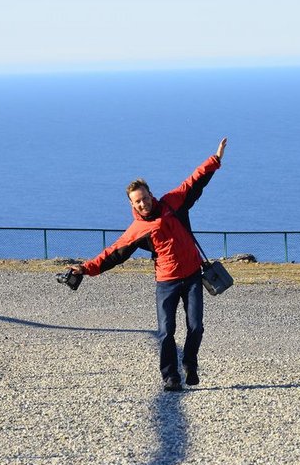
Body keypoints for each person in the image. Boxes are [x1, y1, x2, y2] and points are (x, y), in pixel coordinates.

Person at [68, 138, 228, 391]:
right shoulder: (138, 230)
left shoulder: (173, 203)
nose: (143, 203)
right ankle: (170, 376)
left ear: (151, 194)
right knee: (166, 331)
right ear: (132, 205)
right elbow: (113, 253)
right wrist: (85, 268)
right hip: (166, 282)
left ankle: (189, 363)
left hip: (193, 276)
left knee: (196, 326)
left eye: (145, 197)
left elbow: (194, 182)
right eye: (137, 201)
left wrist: (215, 159)